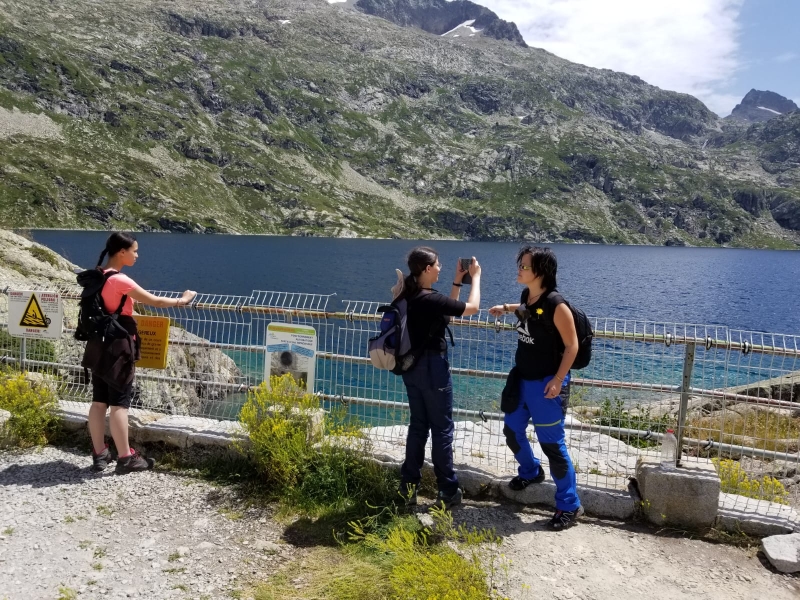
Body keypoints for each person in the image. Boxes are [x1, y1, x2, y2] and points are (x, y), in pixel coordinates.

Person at [84, 233, 197, 475]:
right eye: (134, 250)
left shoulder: (97, 275)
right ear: (121, 252)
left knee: (99, 402)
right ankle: (126, 457)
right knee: (119, 404)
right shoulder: (120, 280)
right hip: (118, 347)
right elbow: (155, 302)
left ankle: (99, 453)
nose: (137, 255)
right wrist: (183, 300)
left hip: (98, 344)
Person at [488, 246, 583, 529]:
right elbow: (528, 312)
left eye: (524, 266)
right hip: (522, 379)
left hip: (546, 385)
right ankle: (530, 471)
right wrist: (506, 308)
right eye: (520, 264)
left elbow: (572, 346)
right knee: (511, 430)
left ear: (540, 271)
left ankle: (570, 505)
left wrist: (558, 380)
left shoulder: (557, 305)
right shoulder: (527, 296)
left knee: (552, 444)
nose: (519, 269)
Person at [395, 247, 481, 509]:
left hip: (411, 368)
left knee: (418, 427)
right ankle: (447, 490)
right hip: (433, 369)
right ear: (427, 269)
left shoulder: (410, 295)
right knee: (442, 429)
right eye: (438, 264)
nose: (440, 267)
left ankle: (408, 488)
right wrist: (476, 278)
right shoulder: (430, 299)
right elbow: (472, 308)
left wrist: (457, 281)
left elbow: (445, 317)